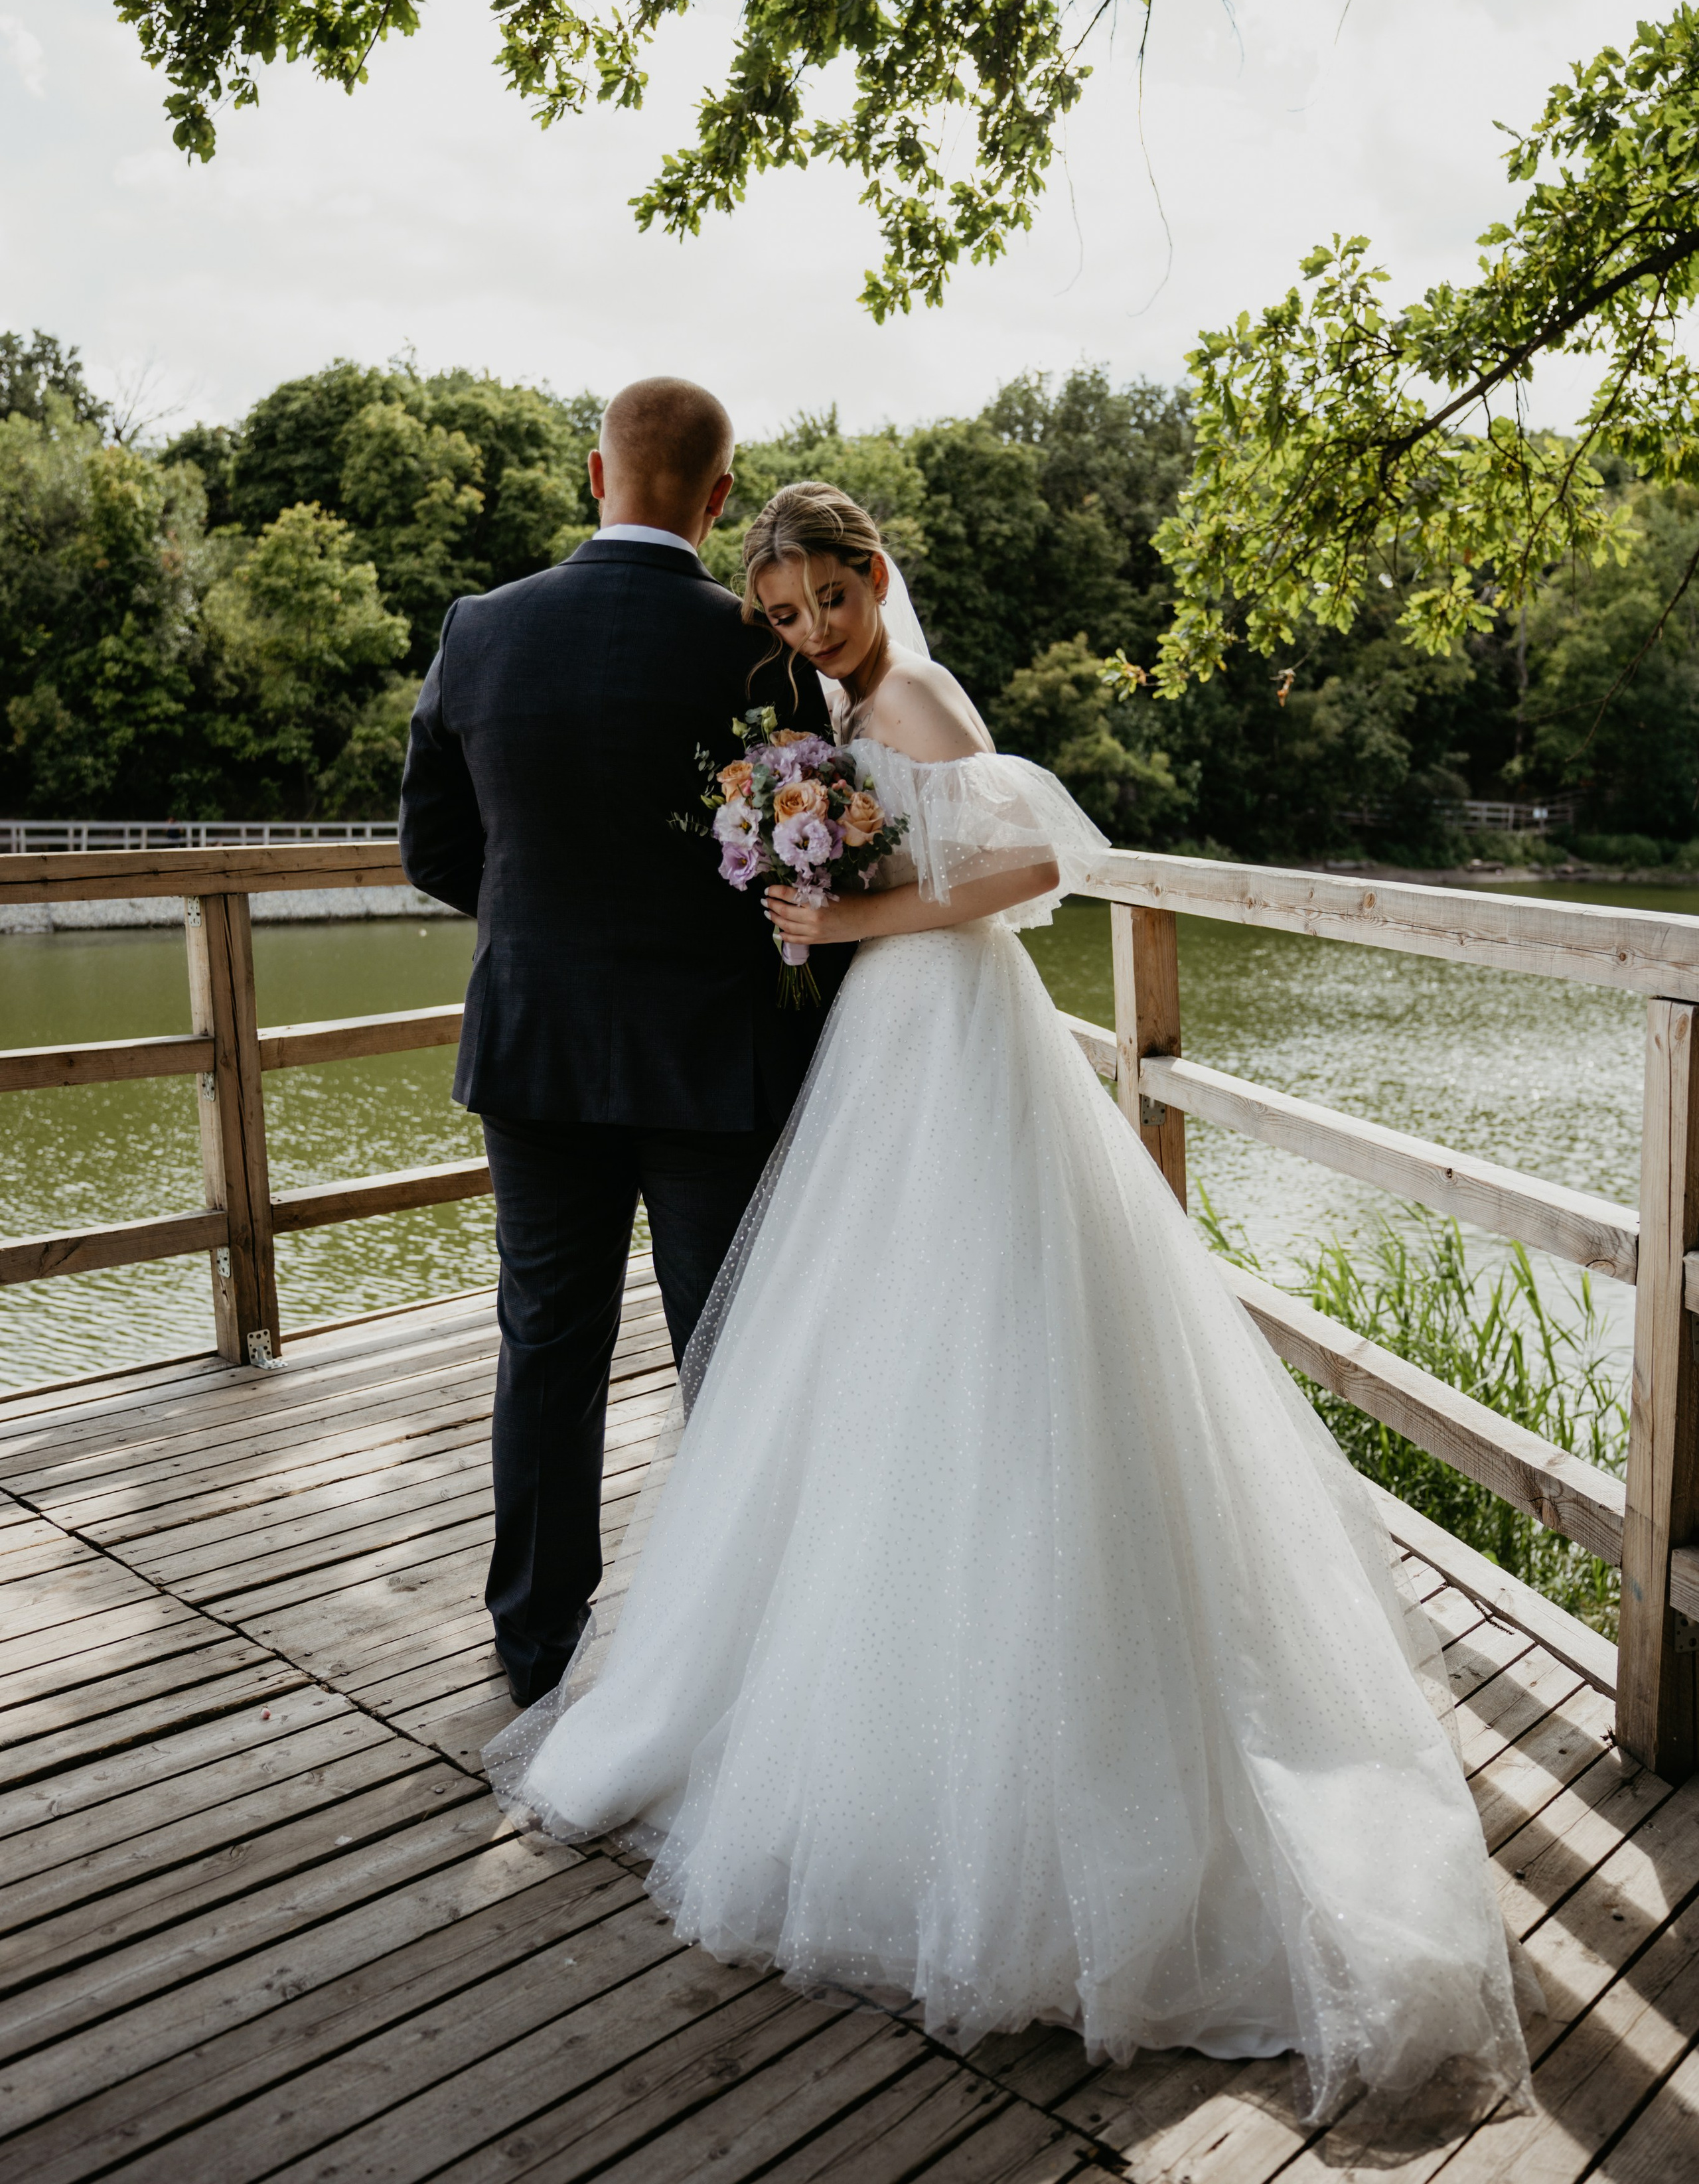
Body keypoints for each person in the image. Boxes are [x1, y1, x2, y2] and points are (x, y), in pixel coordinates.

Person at [485, 481, 1536, 2132]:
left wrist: (849, 910)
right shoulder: (825, 710)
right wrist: (797, 885)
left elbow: (1039, 861)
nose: (809, 633)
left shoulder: (912, 696)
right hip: (880, 1042)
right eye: (781, 615)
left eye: (825, 599)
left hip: (955, 1033)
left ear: (871, 575)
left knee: (992, 1350)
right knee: (879, 1367)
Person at [399, 388, 850, 1711]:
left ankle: (535, 1640)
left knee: (546, 1337)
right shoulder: (764, 655)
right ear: (719, 498)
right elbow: (800, 864)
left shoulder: (481, 630)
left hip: (536, 1050)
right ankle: (744, 1643)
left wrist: (543, 925)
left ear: (596, 472)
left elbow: (432, 847)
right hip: (714, 1061)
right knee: (731, 1347)